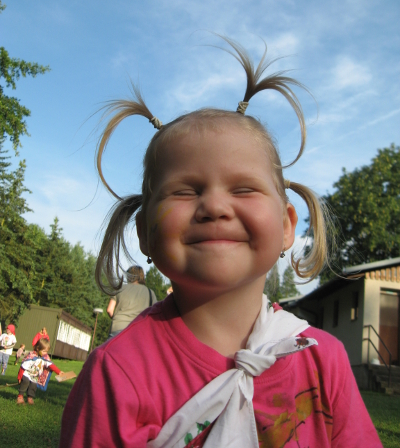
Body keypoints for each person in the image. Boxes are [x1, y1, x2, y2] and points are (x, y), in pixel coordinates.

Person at [60, 38, 382, 447]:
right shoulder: (116, 372)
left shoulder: (324, 361)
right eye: (184, 191)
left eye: (244, 189)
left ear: (287, 227)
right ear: (144, 233)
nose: (214, 206)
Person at [106, 265, 157, 338]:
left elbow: (109, 310)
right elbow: (155, 315)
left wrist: (118, 319)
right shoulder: (150, 293)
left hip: (117, 328)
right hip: (139, 331)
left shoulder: (119, 289)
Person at [17, 338, 64, 405]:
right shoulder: (31, 356)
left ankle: (30, 397)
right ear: (38, 349)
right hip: (26, 374)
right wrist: (19, 377)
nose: (45, 353)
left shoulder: (45, 358)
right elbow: (23, 367)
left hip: (35, 375)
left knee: (33, 386)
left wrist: (59, 372)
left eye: (46, 351)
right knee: (25, 383)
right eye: (44, 351)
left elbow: (51, 365)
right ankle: (20, 396)